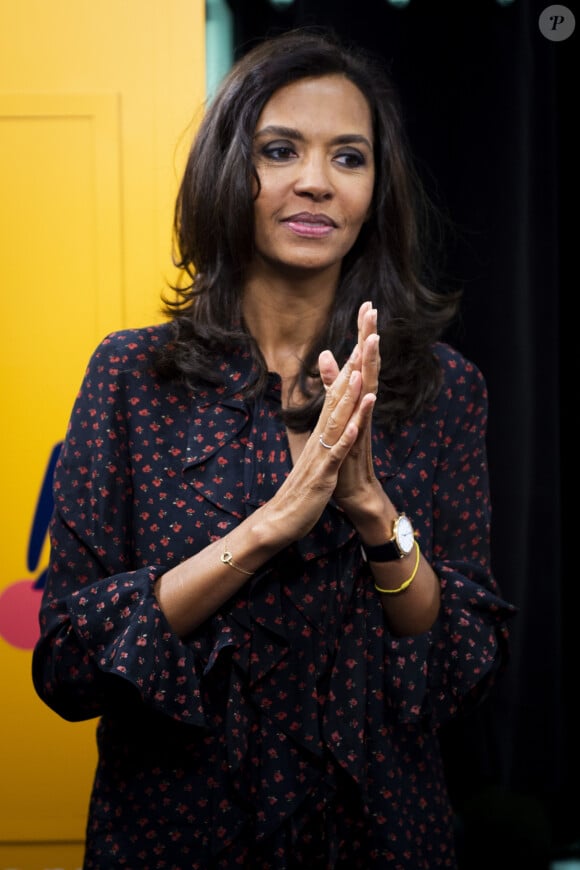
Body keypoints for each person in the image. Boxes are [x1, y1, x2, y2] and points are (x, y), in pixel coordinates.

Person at [32, 26, 516, 869]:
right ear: (230, 172)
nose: (316, 183)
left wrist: (372, 510)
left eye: (349, 158)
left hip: (382, 838)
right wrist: (268, 529)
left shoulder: (442, 388)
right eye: (281, 149)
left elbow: (460, 661)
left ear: (376, 192)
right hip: (174, 838)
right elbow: (69, 664)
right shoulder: (131, 377)